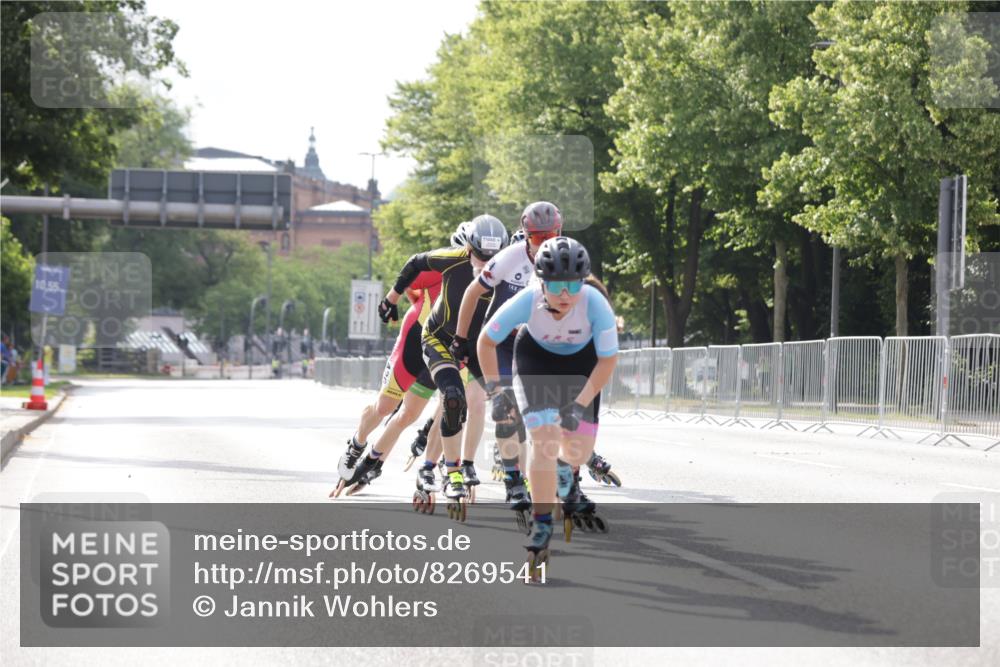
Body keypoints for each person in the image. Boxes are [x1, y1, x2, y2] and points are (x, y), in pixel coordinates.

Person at [477, 237, 619, 577]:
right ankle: (541, 525)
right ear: (541, 281)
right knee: (543, 441)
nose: (565, 294)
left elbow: (608, 361)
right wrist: (497, 393)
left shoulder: (595, 303)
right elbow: (486, 341)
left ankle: (566, 476)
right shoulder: (528, 299)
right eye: (556, 285)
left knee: (577, 452)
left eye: (573, 284)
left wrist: (579, 404)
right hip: (535, 360)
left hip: (583, 366)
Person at [381, 214, 509, 518]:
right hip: (442, 340)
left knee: (501, 405)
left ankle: (495, 471)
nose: (484, 264)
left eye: (492, 258)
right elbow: (415, 262)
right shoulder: (452, 258)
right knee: (453, 399)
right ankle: (448, 471)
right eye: (479, 256)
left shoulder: (509, 269)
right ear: (468, 249)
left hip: (482, 345)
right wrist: (392, 297)